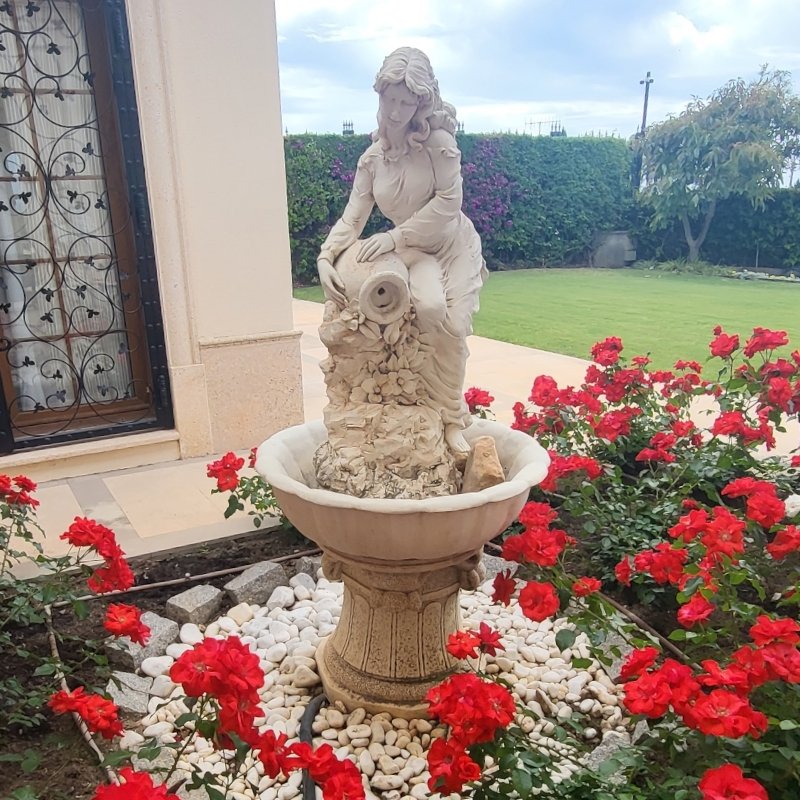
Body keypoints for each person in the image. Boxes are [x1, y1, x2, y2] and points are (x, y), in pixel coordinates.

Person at [316, 47, 487, 454]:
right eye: (389, 99)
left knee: (450, 324)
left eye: (405, 102)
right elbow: (353, 218)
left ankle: (449, 420)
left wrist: (393, 238)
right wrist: (325, 256)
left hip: (451, 244)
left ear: (421, 103)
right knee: (423, 311)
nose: (395, 111)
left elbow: (449, 202)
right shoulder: (372, 158)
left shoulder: (438, 144)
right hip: (413, 250)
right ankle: (404, 403)